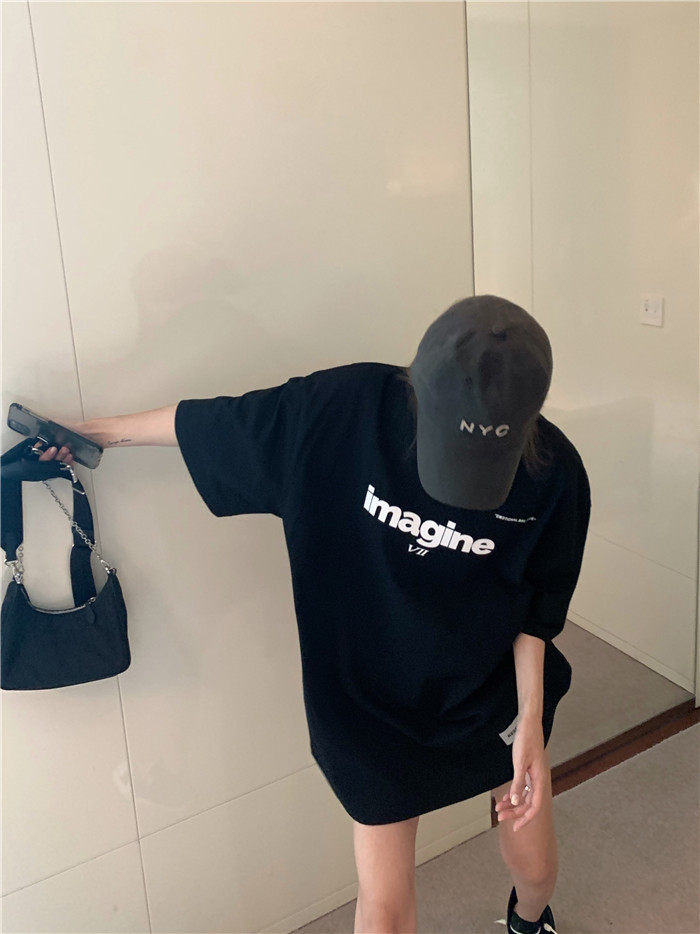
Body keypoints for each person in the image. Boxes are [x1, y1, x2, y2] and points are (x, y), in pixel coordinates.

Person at [35, 295, 590, 934]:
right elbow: (212, 422)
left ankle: (529, 920)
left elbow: (537, 612)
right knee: (383, 908)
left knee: (535, 866)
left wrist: (530, 725)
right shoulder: (340, 411)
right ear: (416, 391)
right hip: (367, 705)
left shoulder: (556, 476)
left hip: (487, 693)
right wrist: (95, 433)